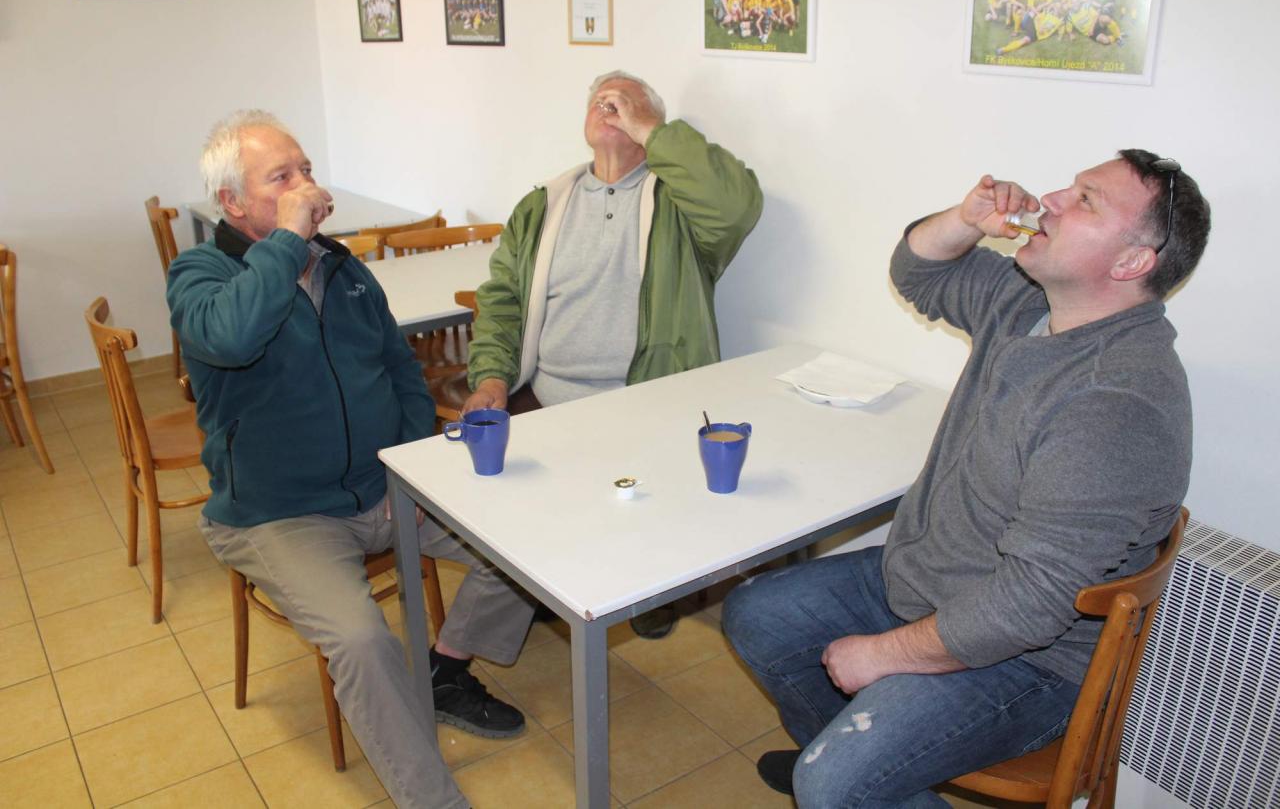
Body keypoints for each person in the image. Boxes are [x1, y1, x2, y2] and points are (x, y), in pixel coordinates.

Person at [724, 150, 1210, 806]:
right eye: (1071, 185)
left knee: (832, 784)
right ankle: (838, 757)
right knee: (758, 614)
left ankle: (841, 779)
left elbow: (1028, 605)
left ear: (1130, 262)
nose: (1053, 198)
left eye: (1086, 200)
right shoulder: (1028, 300)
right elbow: (917, 271)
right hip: (929, 581)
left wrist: (882, 654)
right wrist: (966, 217)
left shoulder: (1116, 402)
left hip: (1028, 658)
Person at [167, 110, 538, 809]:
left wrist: (410, 471)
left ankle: (446, 670)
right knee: (364, 641)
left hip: (384, 486)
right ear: (232, 202)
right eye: (281, 177)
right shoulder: (200, 274)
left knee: (523, 547)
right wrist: (286, 242)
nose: (306, 186)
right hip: (280, 514)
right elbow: (233, 337)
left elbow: (400, 369)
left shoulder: (343, 268)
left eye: (306, 169)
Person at [462, 71, 763, 639]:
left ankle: (647, 592)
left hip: (644, 400)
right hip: (551, 401)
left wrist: (655, 133)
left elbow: (738, 206)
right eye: (600, 101)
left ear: (652, 124)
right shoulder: (543, 204)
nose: (610, 108)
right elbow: (502, 300)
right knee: (523, 526)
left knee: (639, 523)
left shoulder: (679, 206)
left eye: (627, 104)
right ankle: (535, 599)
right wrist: (492, 377)